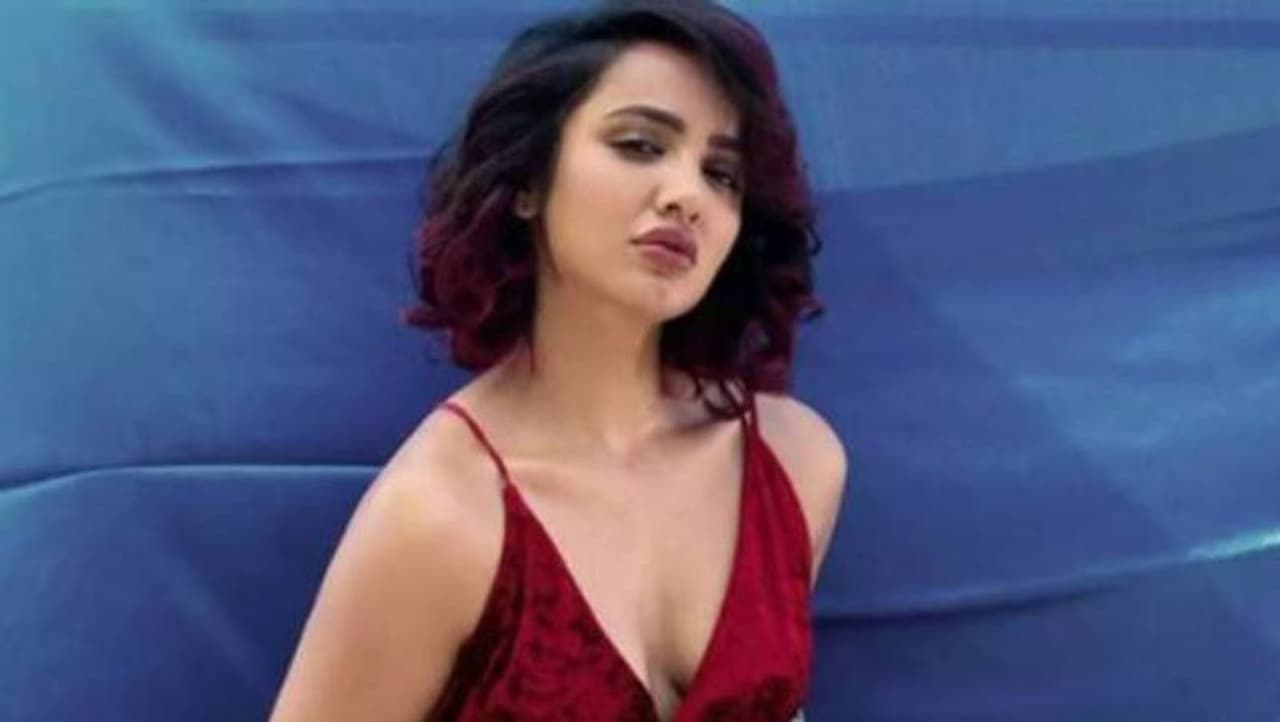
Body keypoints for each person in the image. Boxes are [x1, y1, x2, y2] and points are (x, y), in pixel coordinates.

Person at [269, 1, 846, 720]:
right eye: (640, 145)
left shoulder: (795, 464)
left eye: (722, 174)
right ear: (528, 183)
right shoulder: (441, 518)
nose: (687, 196)